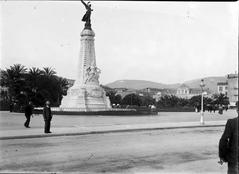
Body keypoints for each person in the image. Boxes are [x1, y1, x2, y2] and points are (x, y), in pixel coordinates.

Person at [219, 101, 238, 174]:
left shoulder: (232, 122)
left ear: (237, 110)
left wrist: (223, 157)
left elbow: (223, 141)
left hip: (234, 159)